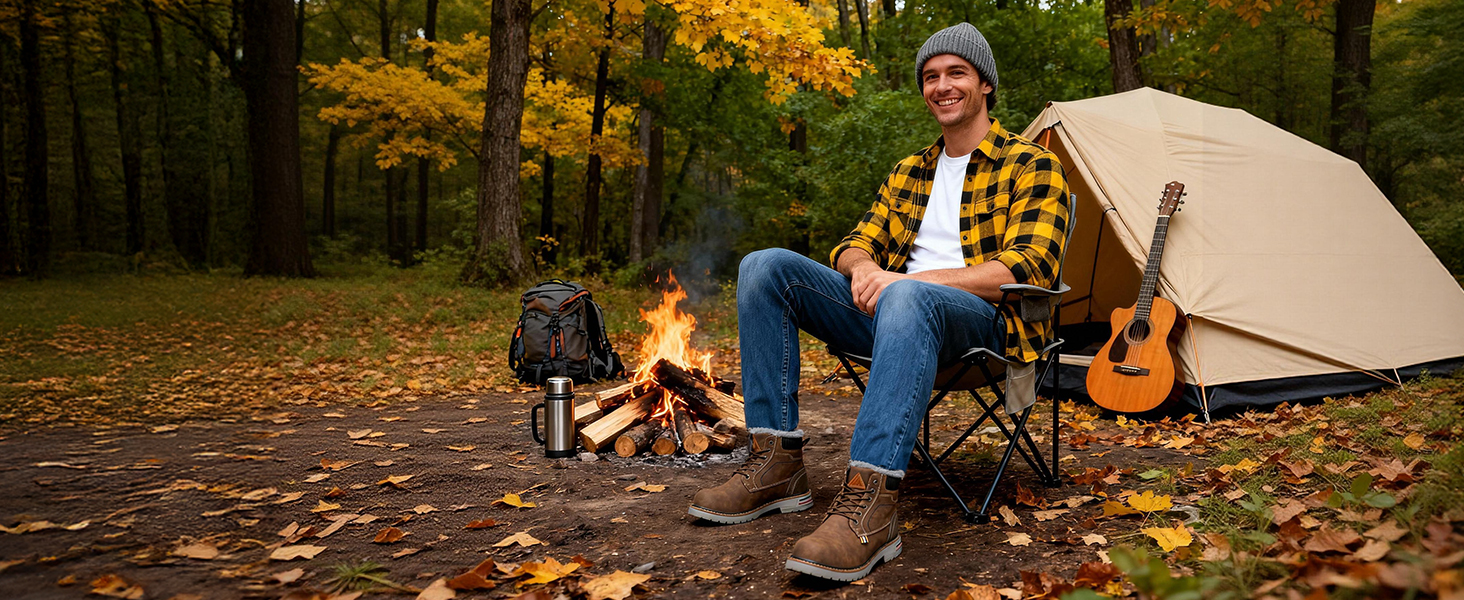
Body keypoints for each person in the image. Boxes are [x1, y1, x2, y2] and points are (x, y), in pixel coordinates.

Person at [687, 23, 1071, 581]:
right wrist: (867, 268)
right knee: (764, 266)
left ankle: (871, 505)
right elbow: (855, 243)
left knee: (912, 292)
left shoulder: (1032, 165)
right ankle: (774, 463)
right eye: (930, 76)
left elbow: (1027, 266)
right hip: (889, 320)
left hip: (982, 328)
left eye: (956, 73)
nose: (942, 85)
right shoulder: (909, 171)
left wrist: (912, 282)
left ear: (985, 84)